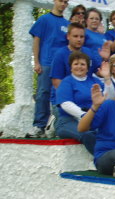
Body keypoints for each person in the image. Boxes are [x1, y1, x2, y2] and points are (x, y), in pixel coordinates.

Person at [55, 51, 115, 154]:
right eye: (76, 64)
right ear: (71, 67)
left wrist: (107, 78)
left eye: (82, 64)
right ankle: (102, 159)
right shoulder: (67, 82)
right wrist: (85, 116)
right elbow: (66, 104)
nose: (79, 67)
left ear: (87, 68)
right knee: (88, 134)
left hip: (91, 118)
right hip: (68, 120)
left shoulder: (93, 81)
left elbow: (108, 97)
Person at [27, 0, 70, 138]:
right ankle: (39, 126)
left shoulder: (67, 24)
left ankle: (56, 127)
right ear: (54, 1)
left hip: (61, 66)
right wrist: (37, 62)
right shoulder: (44, 19)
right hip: (46, 63)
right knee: (42, 94)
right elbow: (36, 41)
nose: (63, 4)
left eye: (66, 2)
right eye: (61, 1)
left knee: (60, 96)